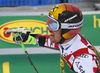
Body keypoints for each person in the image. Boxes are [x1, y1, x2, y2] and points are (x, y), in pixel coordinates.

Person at [6, 3, 100, 73]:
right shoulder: (69, 41)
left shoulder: (83, 60)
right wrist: (27, 37)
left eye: (53, 25)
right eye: (49, 22)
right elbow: (50, 42)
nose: (48, 28)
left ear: (67, 29)